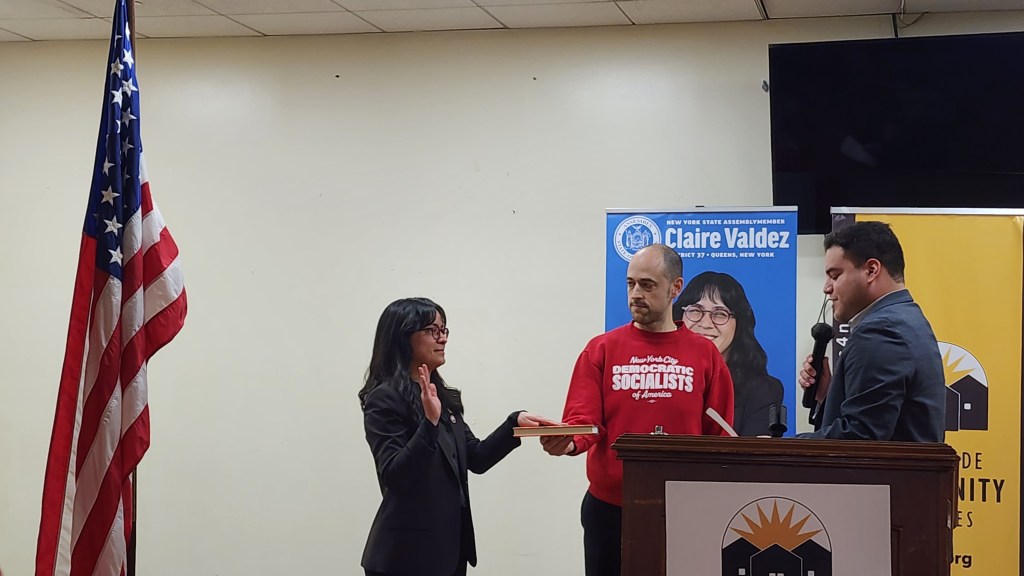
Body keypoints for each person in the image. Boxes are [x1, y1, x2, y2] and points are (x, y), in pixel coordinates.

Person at [541, 244, 735, 576]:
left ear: (675, 288)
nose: (635, 294)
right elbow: (583, 420)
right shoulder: (601, 349)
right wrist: (569, 441)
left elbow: (719, 435)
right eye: (630, 283)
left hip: (682, 508)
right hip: (609, 509)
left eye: (647, 285)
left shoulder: (705, 355)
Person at [359, 297, 555, 576]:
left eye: (444, 330)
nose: (442, 338)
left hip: (448, 552)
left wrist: (514, 424)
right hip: (405, 557)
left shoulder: (440, 395)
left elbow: (476, 458)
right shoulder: (385, 399)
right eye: (432, 330)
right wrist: (429, 422)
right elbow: (395, 476)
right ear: (403, 337)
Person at [798, 221, 945, 441]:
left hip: (889, 476)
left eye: (835, 275)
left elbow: (860, 439)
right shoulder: (905, 319)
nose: (826, 287)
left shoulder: (882, 331)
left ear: (871, 270)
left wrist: (783, 446)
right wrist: (829, 395)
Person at [673, 271, 784, 436]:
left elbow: (754, 458)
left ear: (739, 324)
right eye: (695, 310)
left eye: (719, 314)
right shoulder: (661, 378)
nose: (705, 324)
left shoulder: (764, 391)